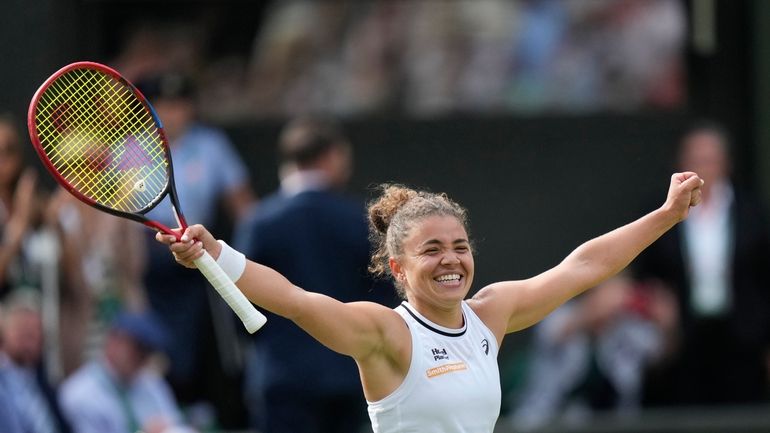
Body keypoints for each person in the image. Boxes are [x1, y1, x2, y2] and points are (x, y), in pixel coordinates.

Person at [156, 170, 703, 432]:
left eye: (460, 248)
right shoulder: (386, 335)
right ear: (398, 268)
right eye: (432, 250)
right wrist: (217, 253)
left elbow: (582, 267)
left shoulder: (492, 313)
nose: (451, 260)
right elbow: (295, 300)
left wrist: (667, 214)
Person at [235, 116, 397, 433]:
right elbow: (384, 298)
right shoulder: (358, 221)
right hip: (350, 376)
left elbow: (237, 301)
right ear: (333, 156)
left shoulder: (259, 222)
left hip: (281, 378)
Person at [134, 71, 257, 424]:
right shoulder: (131, 150)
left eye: (180, 104)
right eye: (163, 105)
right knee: (156, 343)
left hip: (196, 251)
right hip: (148, 259)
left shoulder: (211, 144)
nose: (172, 113)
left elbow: (243, 204)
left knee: (207, 338)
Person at [634, 121, 770, 406]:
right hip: (680, 339)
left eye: (710, 160)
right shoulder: (660, 213)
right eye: (695, 161)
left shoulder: (752, 213)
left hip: (742, 337)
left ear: (726, 163)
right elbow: (644, 272)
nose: (703, 169)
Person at [508, 275, 678, 431]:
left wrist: (667, 324)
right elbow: (559, 332)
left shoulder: (628, 330)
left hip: (610, 425)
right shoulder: (560, 315)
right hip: (546, 423)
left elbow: (663, 353)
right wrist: (595, 310)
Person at [59, 309, 194, 433]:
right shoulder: (78, 393)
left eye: (147, 351)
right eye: (137, 348)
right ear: (113, 341)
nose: (142, 358)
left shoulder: (152, 384)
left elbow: (176, 425)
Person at [0, 290, 72, 433]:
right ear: (4, 332)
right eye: (23, 331)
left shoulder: (45, 383)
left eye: (34, 333)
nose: (29, 341)